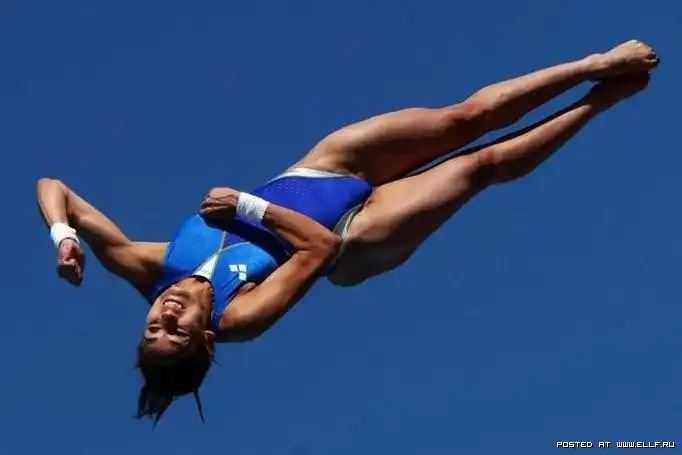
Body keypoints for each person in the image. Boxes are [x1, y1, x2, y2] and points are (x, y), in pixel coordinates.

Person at [37, 40, 659, 423]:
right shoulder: (240, 316)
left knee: (464, 118)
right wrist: (247, 208)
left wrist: (64, 236)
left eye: (153, 327)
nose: (166, 316)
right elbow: (320, 247)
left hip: (320, 173)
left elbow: (53, 185)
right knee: (480, 166)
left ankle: (594, 64)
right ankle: (600, 101)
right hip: (357, 235)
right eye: (175, 333)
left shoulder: (149, 268)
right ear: (204, 340)